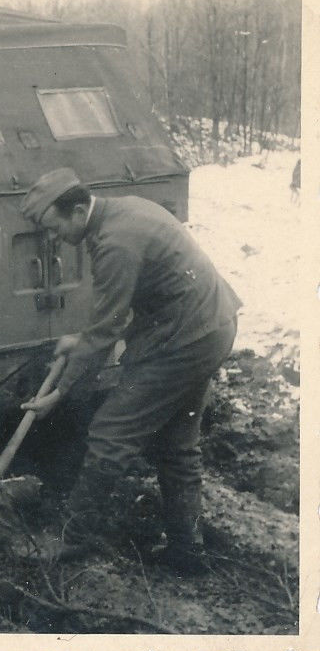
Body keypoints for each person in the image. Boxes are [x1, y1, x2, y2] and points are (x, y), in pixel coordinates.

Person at [19, 168, 241, 575]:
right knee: (177, 445)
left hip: (184, 339)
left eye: (54, 228)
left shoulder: (116, 242)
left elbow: (107, 328)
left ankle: (71, 540)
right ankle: (187, 552)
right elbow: (114, 317)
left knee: (110, 433)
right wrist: (81, 339)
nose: (53, 239)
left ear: (78, 209)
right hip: (211, 326)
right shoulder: (124, 210)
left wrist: (59, 393)